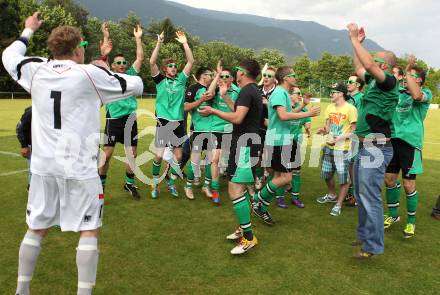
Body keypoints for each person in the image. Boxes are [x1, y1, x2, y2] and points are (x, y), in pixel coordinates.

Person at [2, 12, 143, 295]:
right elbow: (136, 85)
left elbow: (9, 55)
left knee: (36, 227)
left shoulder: (36, 69)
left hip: (43, 167)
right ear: (78, 48)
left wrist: (28, 30)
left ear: (53, 48)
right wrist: (103, 68)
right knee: (89, 229)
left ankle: (22, 289)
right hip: (79, 168)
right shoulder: (88, 74)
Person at [199, 59, 262, 255]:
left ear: (242, 72)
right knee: (239, 189)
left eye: (236, 71)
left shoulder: (247, 91)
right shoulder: (251, 91)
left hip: (245, 145)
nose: (235, 74)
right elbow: (238, 110)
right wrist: (225, 97)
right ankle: (243, 228)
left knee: (234, 189)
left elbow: (237, 118)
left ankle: (249, 237)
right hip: (244, 143)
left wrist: (213, 110)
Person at [347, 23, 399, 259]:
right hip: (364, 145)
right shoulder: (373, 81)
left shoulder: (388, 82)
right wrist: (358, 43)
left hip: (376, 146)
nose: (372, 61)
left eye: (377, 60)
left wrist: (354, 39)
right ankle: (365, 235)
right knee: (361, 194)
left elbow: (367, 63)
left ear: (385, 66)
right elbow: (360, 65)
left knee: (370, 196)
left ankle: (373, 246)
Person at [251, 66, 320, 225]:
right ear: (286, 78)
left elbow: (286, 114)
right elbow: (282, 116)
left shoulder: (282, 94)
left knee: (277, 177)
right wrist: (308, 113)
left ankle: (261, 208)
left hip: (282, 140)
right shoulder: (280, 93)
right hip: (278, 142)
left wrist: (302, 106)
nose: (296, 77)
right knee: (286, 177)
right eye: (293, 75)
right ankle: (256, 199)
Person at [384, 56, 432, 238]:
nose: (406, 77)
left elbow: (417, 95)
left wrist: (407, 70)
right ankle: (393, 215)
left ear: (419, 79)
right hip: (392, 141)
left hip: (410, 145)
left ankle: (411, 222)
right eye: (406, 75)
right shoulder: (398, 92)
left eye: (411, 75)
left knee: (408, 184)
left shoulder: (426, 93)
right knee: (389, 179)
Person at [98, 22, 144, 200]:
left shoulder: (131, 75)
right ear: (114, 66)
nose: (123, 64)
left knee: (132, 154)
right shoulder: (108, 75)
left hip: (130, 119)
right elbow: (104, 55)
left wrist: (138, 39)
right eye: (119, 63)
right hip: (114, 120)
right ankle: (100, 186)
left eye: (124, 62)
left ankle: (129, 183)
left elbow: (140, 58)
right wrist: (105, 35)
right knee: (107, 154)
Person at [149, 31, 194, 198]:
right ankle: (154, 185)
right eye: (170, 66)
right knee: (159, 155)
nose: (174, 68)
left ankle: (171, 182)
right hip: (163, 121)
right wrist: (159, 42)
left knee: (179, 155)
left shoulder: (182, 80)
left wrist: (185, 43)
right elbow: (152, 61)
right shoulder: (160, 80)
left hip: (178, 122)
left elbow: (190, 61)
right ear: (164, 69)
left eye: (175, 66)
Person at [316, 83, 357, 216]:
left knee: (343, 178)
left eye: (333, 92)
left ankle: (338, 204)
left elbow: (353, 131)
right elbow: (327, 128)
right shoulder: (329, 107)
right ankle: (331, 194)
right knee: (326, 174)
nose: (331, 94)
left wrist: (339, 138)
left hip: (342, 149)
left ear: (341, 93)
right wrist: (323, 130)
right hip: (329, 146)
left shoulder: (351, 109)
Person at [208, 65, 241, 204]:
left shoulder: (237, 91)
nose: (224, 78)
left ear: (232, 79)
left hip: (232, 128)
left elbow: (237, 110)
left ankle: (239, 187)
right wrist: (216, 77)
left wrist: (225, 94)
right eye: (222, 76)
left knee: (234, 160)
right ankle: (215, 190)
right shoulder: (214, 88)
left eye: (227, 76)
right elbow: (208, 94)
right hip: (216, 128)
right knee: (214, 159)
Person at [183, 66, 215, 200]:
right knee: (195, 160)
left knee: (211, 160)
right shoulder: (193, 89)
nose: (212, 77)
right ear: (203, 76)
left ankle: (206, 186)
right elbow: (185, 107)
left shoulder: (211, 90)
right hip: (199, 131)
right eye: (210, 75)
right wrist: (200, 100)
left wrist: (217, 75)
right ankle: (188, 186)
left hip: (213, 130)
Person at [278, 88, 312, 209]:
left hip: (296, 144)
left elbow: (307, 121)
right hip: (283, 143)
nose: (299, 95)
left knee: (296, 173)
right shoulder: (283, 108)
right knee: (283, 173)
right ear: (289, 95)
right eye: (297, 93)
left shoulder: (303, 109)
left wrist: (308, 128)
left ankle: (295, 198)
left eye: (299, 93)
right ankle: (280, 198)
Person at [255, 66, 277, 190]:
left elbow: (282, 112)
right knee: (257, 155)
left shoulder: (278, 92)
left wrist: (267, 104)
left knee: (269, 159)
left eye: (269, 76)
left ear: (274, 79)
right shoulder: (257, 89)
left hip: (272, 129)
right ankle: (258, 178)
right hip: (257, 128)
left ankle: (271, 181)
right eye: (265, 75)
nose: (266, 78)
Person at [344, 74, 364, 206]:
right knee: (349, 165)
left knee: (355, 166)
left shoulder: (360, 98)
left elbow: (359, 118)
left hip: (355, 136)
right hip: (346, 135)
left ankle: (356, 196)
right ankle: (350, 192)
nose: (347, 83)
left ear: (358, 85)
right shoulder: (350, 98)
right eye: (347, 81)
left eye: (350, 81)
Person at [16, 106, 32, 189]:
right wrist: (24, 145)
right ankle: (31, 187)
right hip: (31, 145)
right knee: (32, 169)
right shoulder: (31, 112)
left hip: (43, 145)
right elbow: (19, 128)